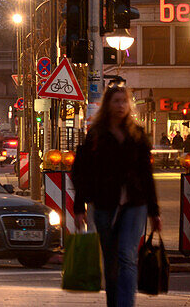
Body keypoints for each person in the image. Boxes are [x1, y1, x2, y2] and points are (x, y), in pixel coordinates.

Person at [73, 85, 161, 307]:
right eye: (116, 101)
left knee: (126, 256)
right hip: (104, 204)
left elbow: (146, 175)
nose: (121, 105)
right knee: (111, 260)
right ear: (108, 105)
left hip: (135, 204)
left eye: (124, 101)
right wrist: (79, 207)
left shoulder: (138, 135)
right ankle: (114, 302)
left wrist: (154, 211)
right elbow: (82, 171)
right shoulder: (96, 135)